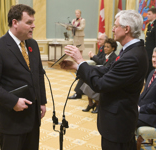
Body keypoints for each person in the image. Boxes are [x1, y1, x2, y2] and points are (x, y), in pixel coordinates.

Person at [60, 10, 148, 150]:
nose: (112, 29)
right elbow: (109, 70)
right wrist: (77, 66)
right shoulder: (130, 50)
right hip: (116, 120)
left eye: (115, 25)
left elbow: (99, 84)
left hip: (118, 123)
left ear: (126, 29)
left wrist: (81, 60)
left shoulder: (132, 56)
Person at [0, 4, 47, 150]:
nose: (34, 26)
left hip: (33, 117)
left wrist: (42, 101)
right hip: (12, 119)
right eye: (29, 22)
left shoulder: (33, 44)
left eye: (33, 22)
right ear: (15, 23)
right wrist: (13, 101)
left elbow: (38, 75)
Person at [81, 38, 118, 113]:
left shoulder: (113, 57)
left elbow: (108, 69)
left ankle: (98, 104)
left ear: (113, 48)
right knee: (88, 80)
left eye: (108, 47)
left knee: (93, 81)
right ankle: (90, 103)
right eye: (105, 46)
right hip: (103, 74)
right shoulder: (107, 55)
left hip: (107, 77)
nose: (105, 48)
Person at [68, 33, 107, 99]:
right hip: (98, 66)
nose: (98, 41)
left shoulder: (106, 48)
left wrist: (93, 56)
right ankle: (79, 92)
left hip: (101, 68)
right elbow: (98, 59)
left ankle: (78, 93)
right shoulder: (101, 47)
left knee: (84, 71)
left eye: (100, 39)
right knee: (83, 70)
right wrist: (92, 57)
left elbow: (102, 61)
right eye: (98, 39)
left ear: (105, 40)